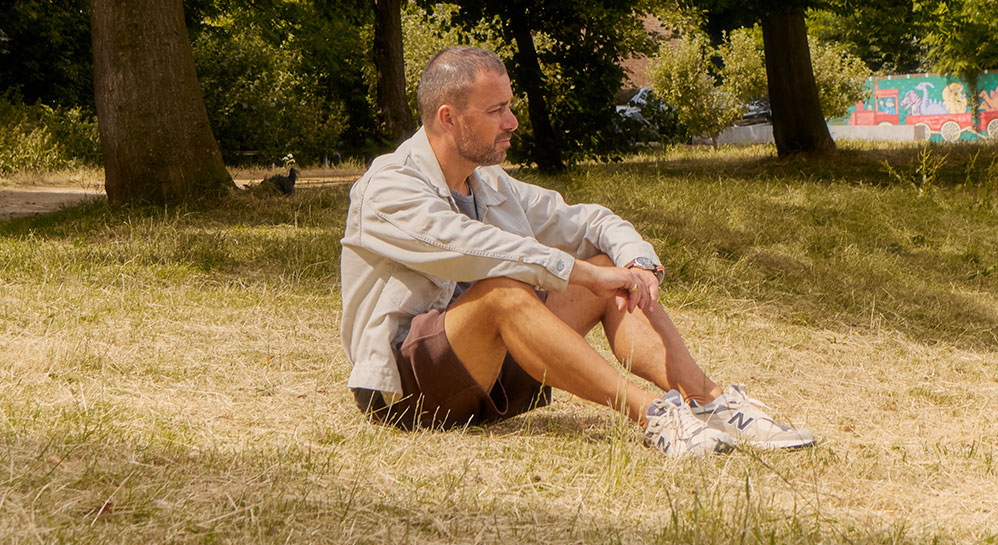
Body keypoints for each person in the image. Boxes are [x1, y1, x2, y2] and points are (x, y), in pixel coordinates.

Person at [340, 47, 815, 459]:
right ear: (449, 118)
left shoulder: (489, 183)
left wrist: (636, 263)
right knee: (505, 290)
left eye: (510, 106)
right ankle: (655, 417)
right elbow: (471, 247)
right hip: (406, 391)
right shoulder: (388, 188)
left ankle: (709, 402)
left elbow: (590, 221)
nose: (512, 121)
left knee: (610, 268)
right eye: (496, 110)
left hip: (493, 373)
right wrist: (581, 273)